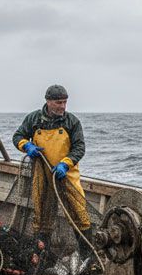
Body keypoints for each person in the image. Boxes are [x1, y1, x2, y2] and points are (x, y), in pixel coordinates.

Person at [12, 84, 91, 251]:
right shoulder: (34, 119)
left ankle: (88, 254)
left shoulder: (72, 122)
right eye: (58, 102)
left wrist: (65, 163)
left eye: (65, 102)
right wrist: (26, 146)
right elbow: (18, 136)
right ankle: (42, 253)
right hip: (42, 174)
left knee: (79, 211)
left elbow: (79, 148)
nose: (62, 106)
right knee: (42, 213)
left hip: (65, 175)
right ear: (48, 102)